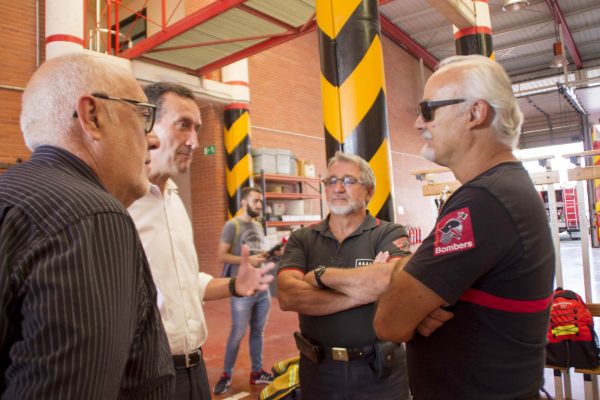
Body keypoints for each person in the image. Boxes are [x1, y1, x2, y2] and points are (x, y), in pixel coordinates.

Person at [374, 55, 555, 399]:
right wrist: (415, 297)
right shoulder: (504, 188)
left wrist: (405, 292)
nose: (418, 123)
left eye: (428, 110)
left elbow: (390, 322)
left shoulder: (484, 200)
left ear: (475, 113)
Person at [0, 53, 174, 398]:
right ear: (92, 117)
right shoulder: (93, 218)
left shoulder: (11, 196)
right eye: (142, 115)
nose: (153, 139)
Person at [127, 82, 274, 400]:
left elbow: (185, 283)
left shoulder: (173, 200)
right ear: (147, 125)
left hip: (193, 369)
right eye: (183, 125)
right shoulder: (121, 204)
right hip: (145, 376)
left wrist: (236, 285)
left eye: (197, 128)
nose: (194, 142)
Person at [277, 152, 411, 400]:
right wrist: (365, 291)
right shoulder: (302, 239)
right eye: (331, 181)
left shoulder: (388, 232)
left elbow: (390, 281)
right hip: (319, 372)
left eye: (349, 180)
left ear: (369, 191)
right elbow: (288, 296)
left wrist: (321, 276)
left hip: (380, 372)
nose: (338, 188)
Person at [213, 186, 274, 395]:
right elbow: (222, 256)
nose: (259, 205)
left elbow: (258, 253)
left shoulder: (257, 226)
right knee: (237, 333)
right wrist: (247, 260)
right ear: (243, 202)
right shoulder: (232, 225)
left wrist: (268, 254)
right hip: (242, 290)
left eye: (261, 201)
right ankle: (226, 374)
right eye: (256, 201)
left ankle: (257, 372)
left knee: (258, 331)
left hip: (262, 289)